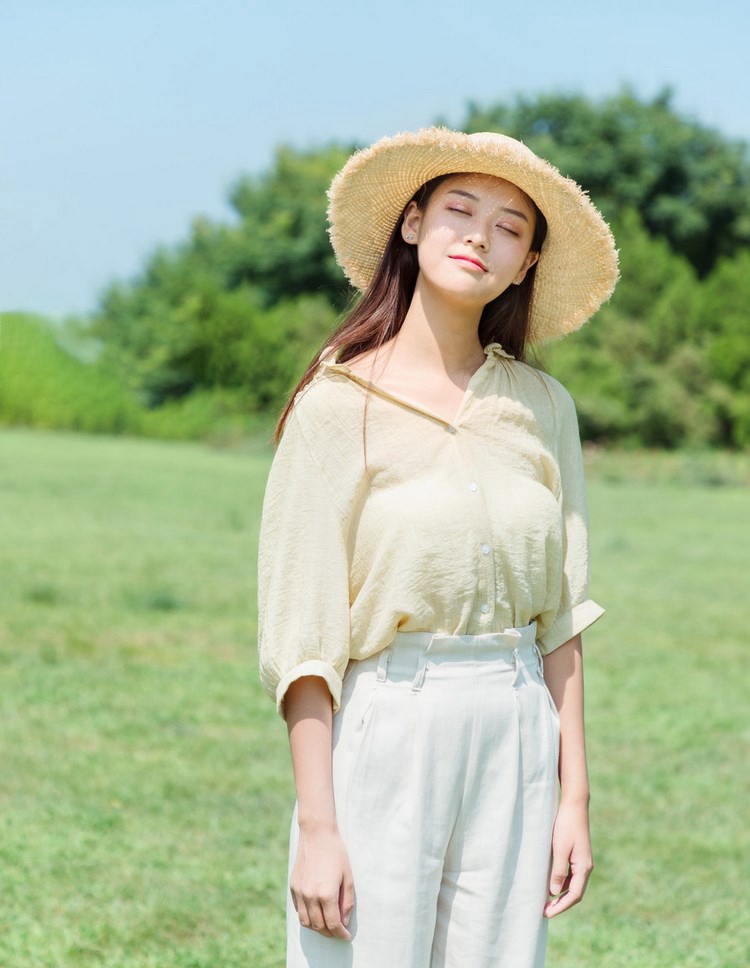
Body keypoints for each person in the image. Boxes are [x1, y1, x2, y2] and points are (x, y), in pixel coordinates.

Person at [257, 126, 619, 968]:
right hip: (388, 722)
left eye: (510, 227)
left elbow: (560, 618)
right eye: (461, 209)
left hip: (516, 723)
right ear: (413, 224)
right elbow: (303, 637)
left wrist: (575, 800)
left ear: (525, 264)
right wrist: (319, 827)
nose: (480, 236)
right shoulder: (336, 403)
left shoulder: (544, 407)